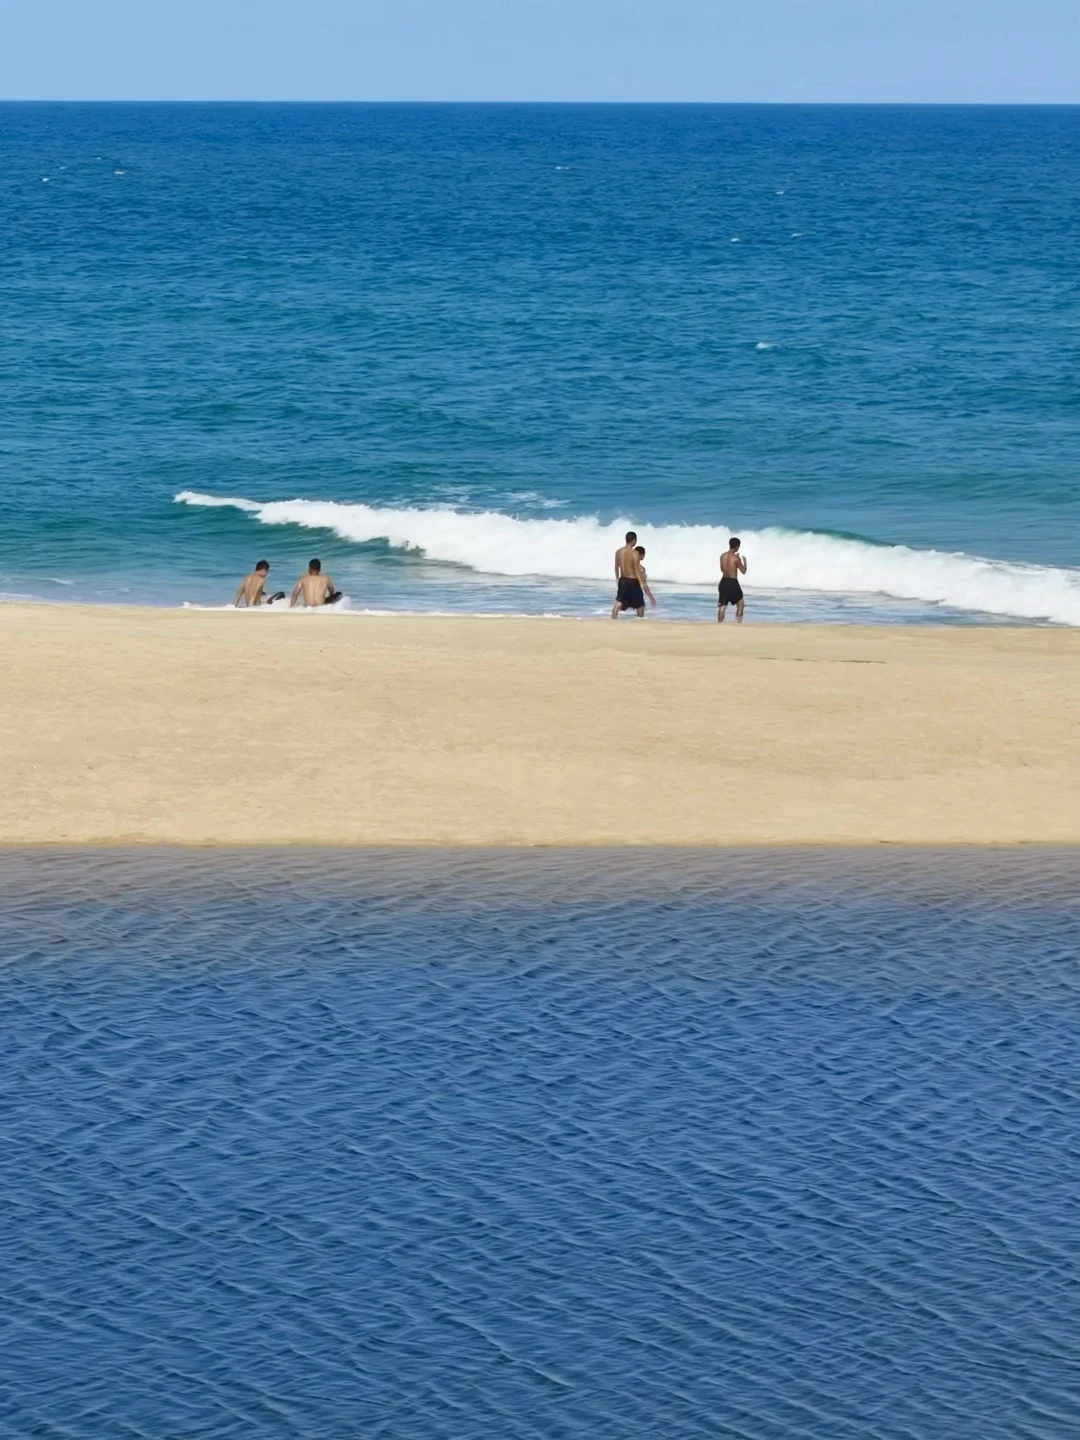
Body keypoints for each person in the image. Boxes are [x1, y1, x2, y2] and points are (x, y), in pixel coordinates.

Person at [612, 530, 648, 618]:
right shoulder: (634, 553)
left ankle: (613, 618)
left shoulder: (618, 552)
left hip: (622, 580)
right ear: (634, 540)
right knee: (640, 605)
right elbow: (636, 569)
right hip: (632, 581)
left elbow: (616, 566)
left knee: (619, 601)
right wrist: (641, 583)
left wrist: (617, 579)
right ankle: (640, 620)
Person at [718, 537, 747, 623]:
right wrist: (744, 561)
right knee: (740, 605)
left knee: (722, 606)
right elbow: (743, 571)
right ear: (737, 546)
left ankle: (719, 624)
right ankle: (738, 624)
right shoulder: (736, 558)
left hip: (723, 582)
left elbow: (722, 569)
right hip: (732, 583)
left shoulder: (722, 556)